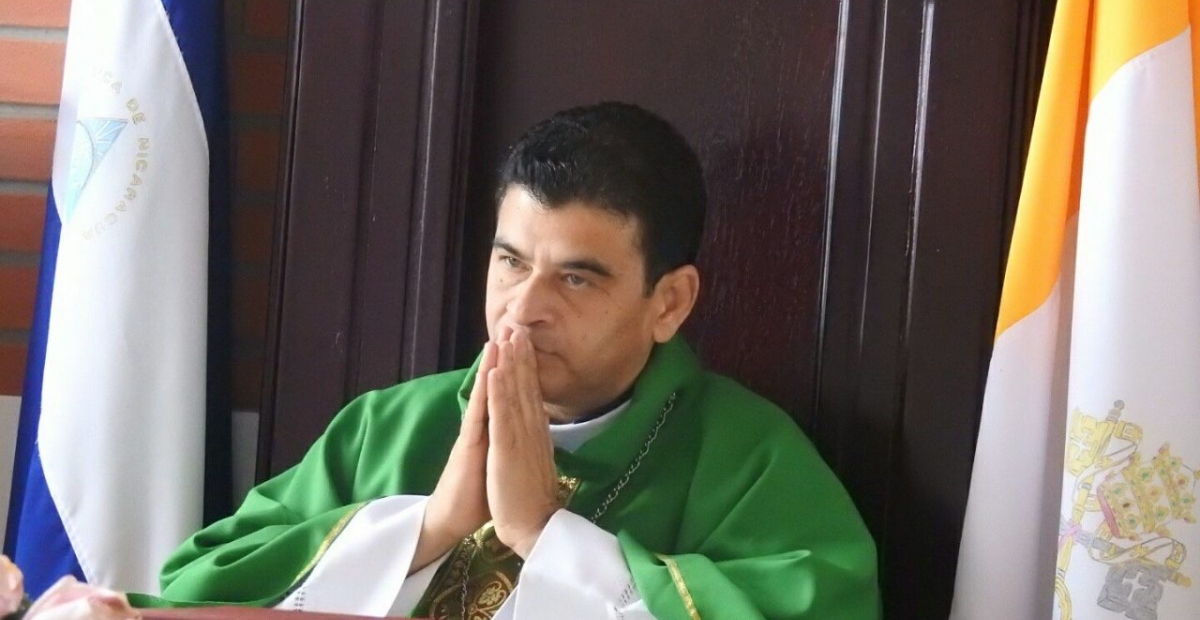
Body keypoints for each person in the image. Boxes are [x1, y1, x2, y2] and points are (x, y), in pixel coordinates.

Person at [142, 102, 880, 619]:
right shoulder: (388, 427)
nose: (523, 309)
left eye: (576, 278)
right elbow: (195, 594)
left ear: (670, 302)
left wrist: (544, 535)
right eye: (511, 262)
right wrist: (428, 527)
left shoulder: (751, 464)